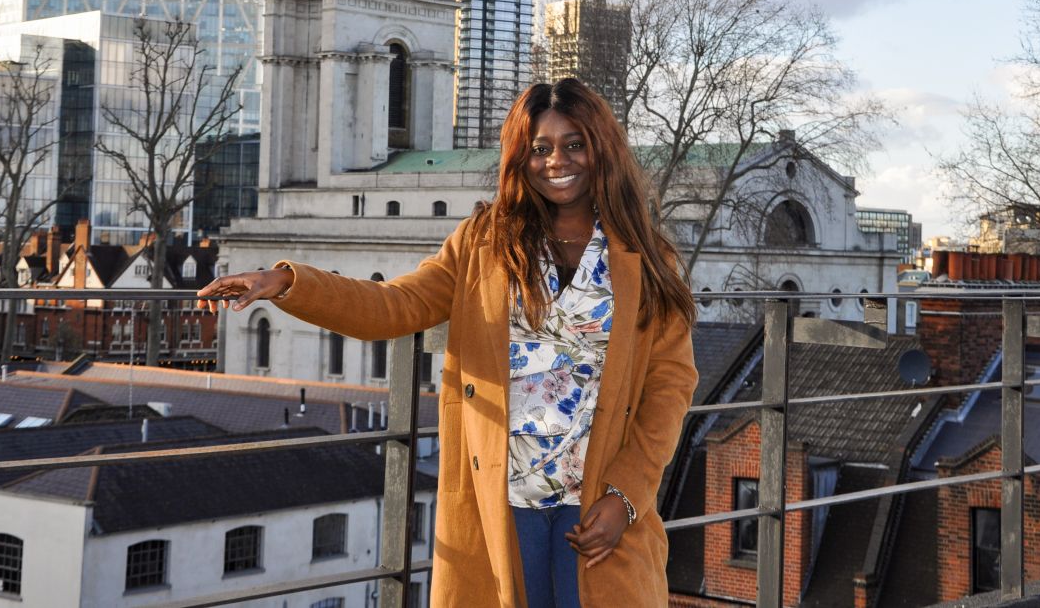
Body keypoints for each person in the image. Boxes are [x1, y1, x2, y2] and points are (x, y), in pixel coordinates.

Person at [199, 79, 697, 608]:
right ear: (520, 158)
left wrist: (627, 494)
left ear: (601, 148)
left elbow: (670, 387)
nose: (557, 160)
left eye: (574, 143)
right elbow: (393, 305)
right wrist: (287, 283)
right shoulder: (485, 241)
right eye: (540, 148)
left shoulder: (645, 258)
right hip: (499, 504)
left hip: (597, 505)